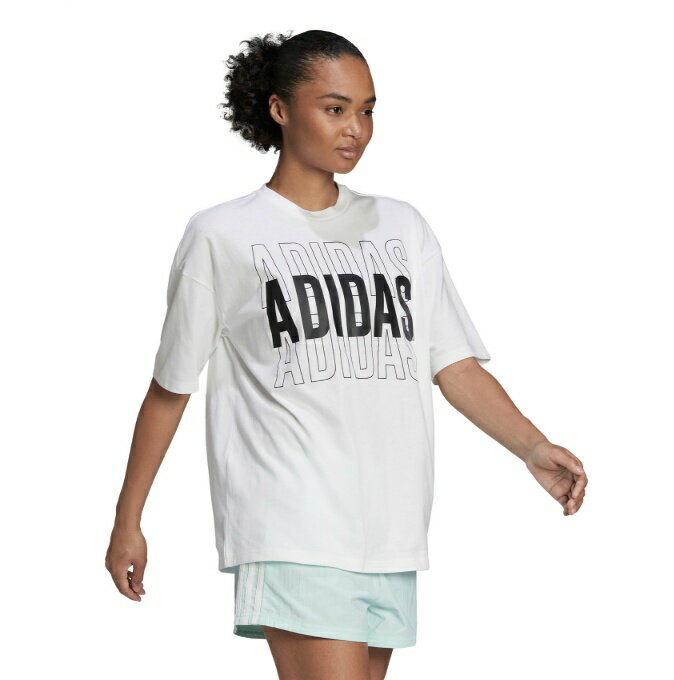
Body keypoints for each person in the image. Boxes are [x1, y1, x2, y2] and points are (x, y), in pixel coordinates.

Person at [105, 29, 588, 680]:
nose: (356, 128)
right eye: (334, 108)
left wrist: (532, 447)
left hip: (391, 533)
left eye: (367, 110)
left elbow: (452, 364)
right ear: (280, 109)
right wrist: (128, 520)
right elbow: (170, 388)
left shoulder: (402, 227)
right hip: (293, 526)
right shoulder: (222, 234)